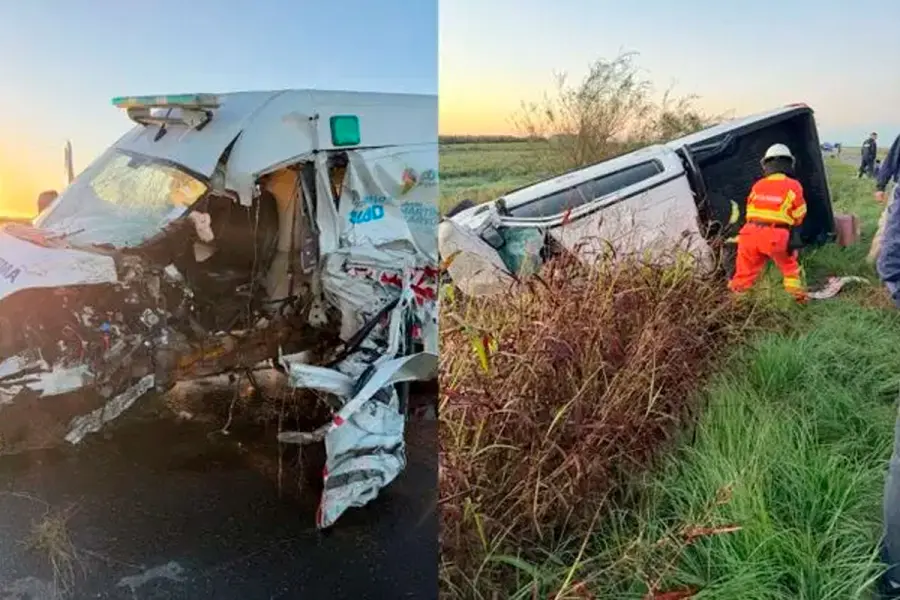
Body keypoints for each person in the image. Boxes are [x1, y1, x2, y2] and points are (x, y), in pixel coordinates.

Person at [727, 143, 808, 303]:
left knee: (743, 275)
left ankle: (733, 305)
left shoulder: (758, 185)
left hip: (748, 234)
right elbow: (800, 214)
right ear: (789, 163)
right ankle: (799, 301)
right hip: (775, 235)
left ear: (766, 165)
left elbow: (750, 209)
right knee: (789, 268)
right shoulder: (793, 185)